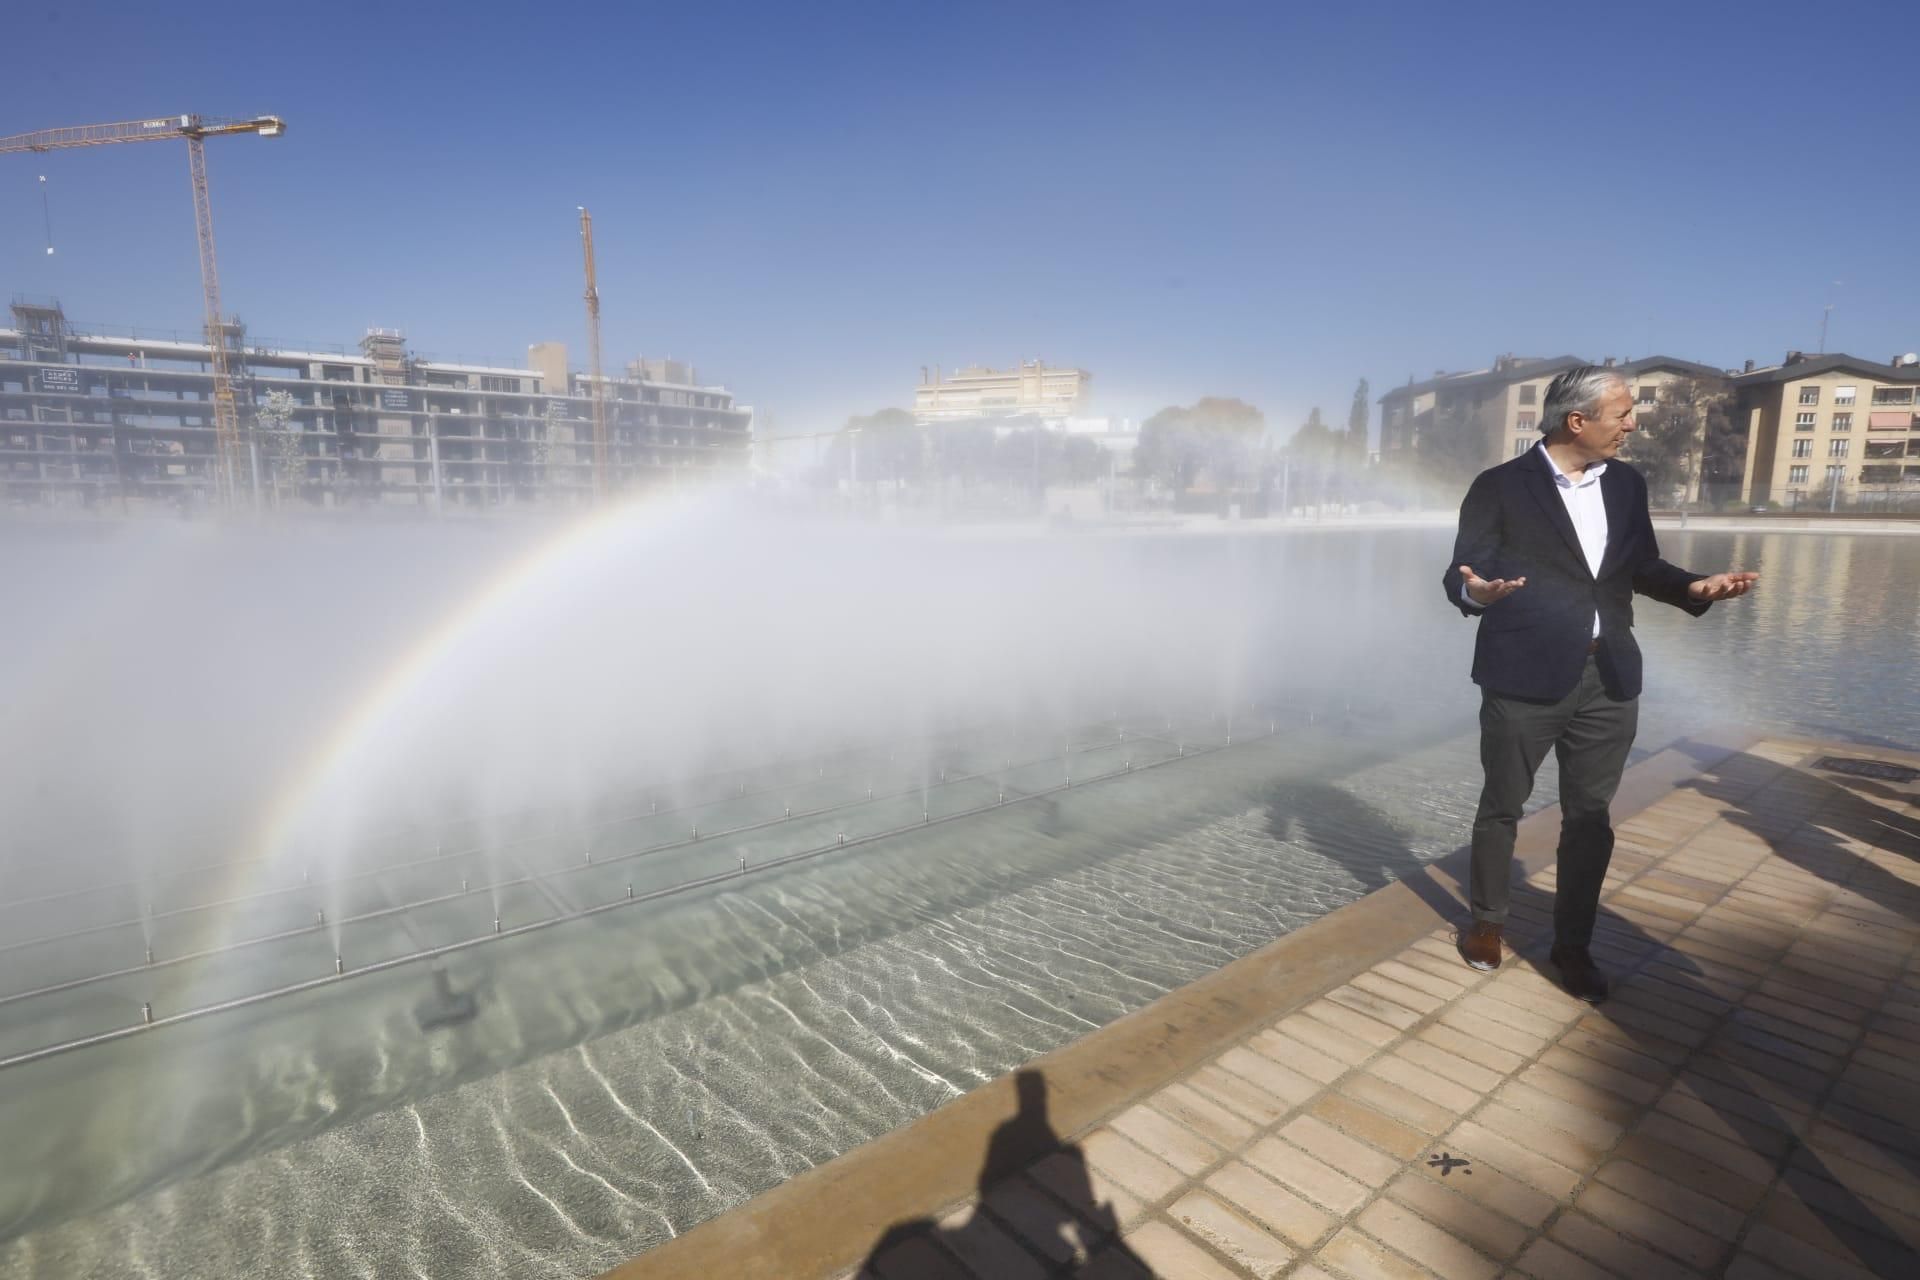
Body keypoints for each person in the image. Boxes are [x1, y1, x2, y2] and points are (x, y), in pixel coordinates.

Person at [1442, 366, 1756, 1001]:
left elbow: (1640, 566)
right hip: (1524, 673)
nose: (1632, 423)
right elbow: (1462, 571)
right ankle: (1487, 923)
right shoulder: (1501, 486)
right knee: (1502, 805)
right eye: (1623, 413)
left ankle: (1572, 945)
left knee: (1590, 818)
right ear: (1577, 421)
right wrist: (1477, 590)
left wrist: (1694, 587)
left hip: (1608, 673)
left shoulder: (1627, 484)